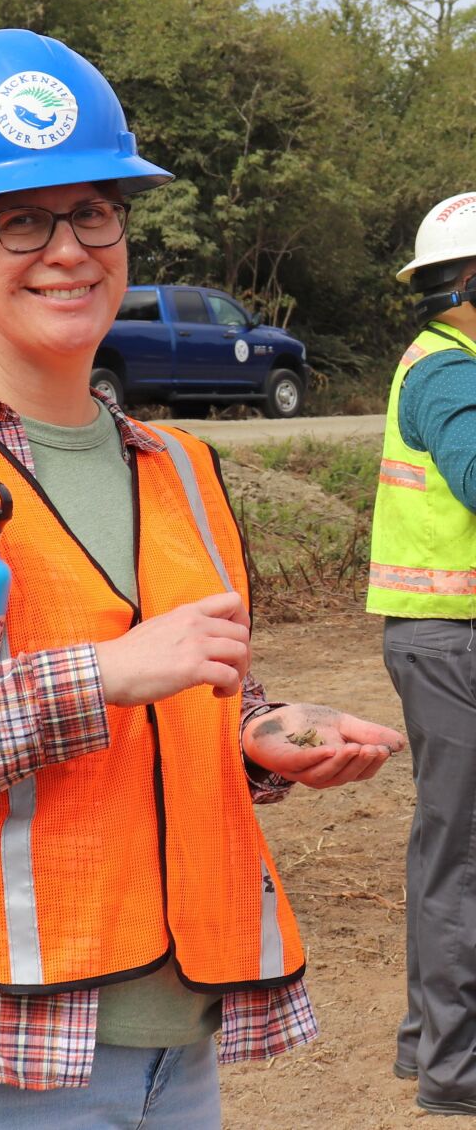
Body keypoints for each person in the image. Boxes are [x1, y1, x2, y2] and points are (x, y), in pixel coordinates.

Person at [0, 28, 404, 1129]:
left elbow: (175, 699)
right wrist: (94, 675)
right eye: (20, 219)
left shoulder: (183, 470)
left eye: (92, 212)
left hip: (170, 1059)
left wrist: (258, 732)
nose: (67, 249)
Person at [366, 192, 476, 1118]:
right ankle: (456, 1070)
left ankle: (425, 1044)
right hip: (452, 645)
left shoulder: (452, 365)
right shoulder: (447, 373)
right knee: (462, 854)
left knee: (452, 845)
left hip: (443, 639)